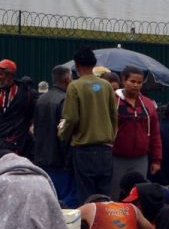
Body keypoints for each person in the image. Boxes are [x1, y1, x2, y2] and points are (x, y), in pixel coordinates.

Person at [59, 47, 118, 204]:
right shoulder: (106, 86)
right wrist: (111, 137)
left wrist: (62, 134)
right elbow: (114, 115)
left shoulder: (74, 86)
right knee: (105, 196)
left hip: (84, 150)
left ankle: (90, 227)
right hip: (105, 150)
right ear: (94, 64)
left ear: (77, 66)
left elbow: (70, 118)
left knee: (87, 197)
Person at [110, 66, 162, 199]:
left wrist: (156, 159)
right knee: (116, 193)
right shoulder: (112, 101)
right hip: (116, 157)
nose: (136, 85)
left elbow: (155, 133)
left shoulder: (148, 104)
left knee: (138, 194)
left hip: (140, 159)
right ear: (123, 80)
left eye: (139, 83)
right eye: (132, 81)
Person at [33, 65, 78, 208]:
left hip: (42, 158)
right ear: (67, 79)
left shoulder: (41, 99)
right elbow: (64, 130)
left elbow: (36, 129)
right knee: (66, 201)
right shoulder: (65, 100)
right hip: (59, 160)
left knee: (46, 199)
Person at [0, 58, 36, 158]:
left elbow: (33, 115)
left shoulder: (26, 94)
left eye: (1, 74)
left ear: (10, 75)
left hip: (17, 143)